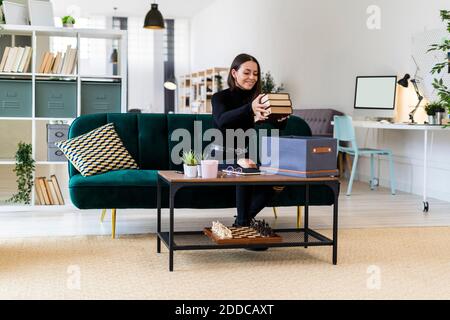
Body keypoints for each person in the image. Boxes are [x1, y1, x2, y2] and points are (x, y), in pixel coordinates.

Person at [212, 53, 289, 229]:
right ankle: (243, 224)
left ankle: (242, 222)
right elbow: (222, 120)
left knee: (279, 179)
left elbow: (279, 125)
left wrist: (280, 116)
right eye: (247, 72)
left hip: (245, 155)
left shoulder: (257, 99)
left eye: (255, 73)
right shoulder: (220, 97)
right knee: (245, 167)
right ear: (234, 73)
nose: (252, 77)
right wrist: (250, 108)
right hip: (220, 155)